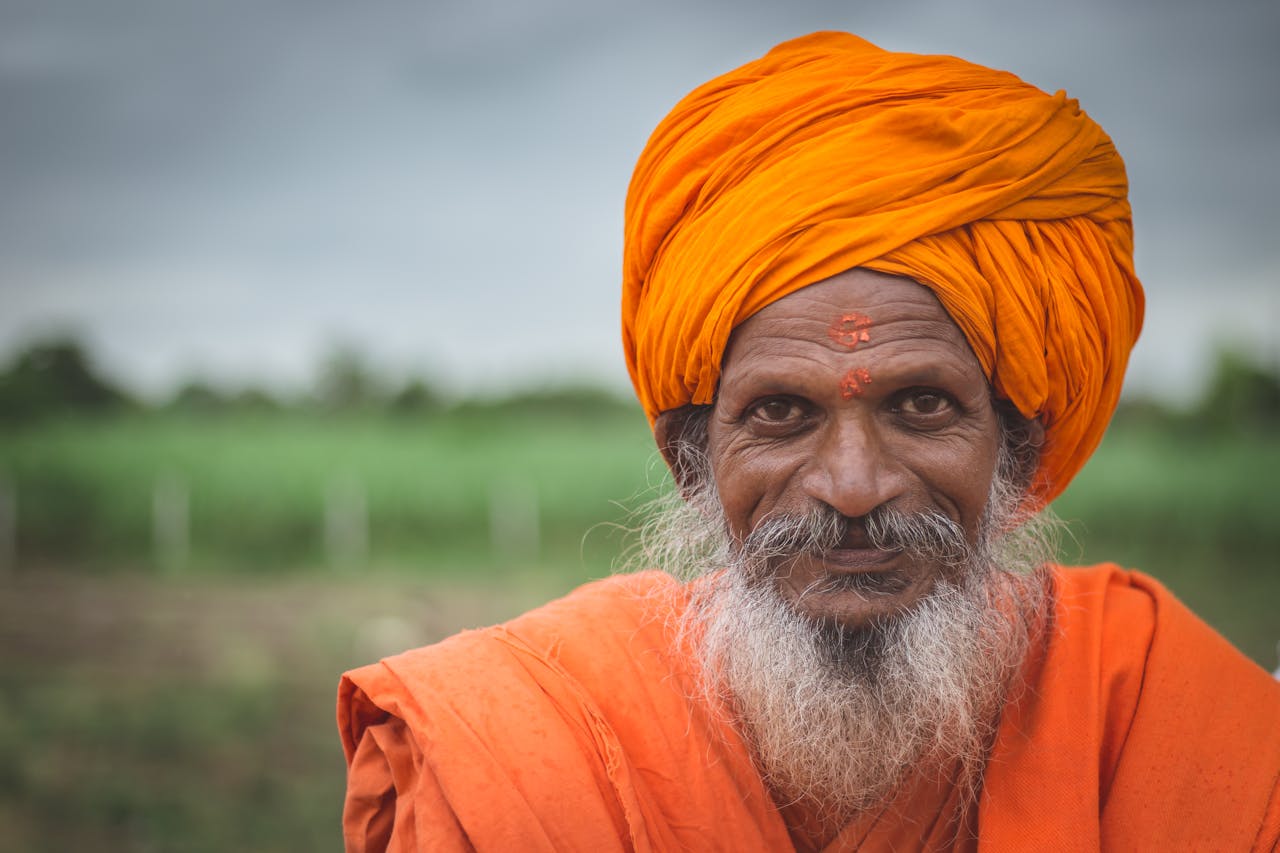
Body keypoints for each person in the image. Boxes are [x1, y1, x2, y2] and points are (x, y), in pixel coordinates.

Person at [337, 32, 1280, 851]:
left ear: (1018, 450)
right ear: (691, 461)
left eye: (921, 405)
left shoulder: (1174, 726)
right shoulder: (511, 756)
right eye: (782, 413)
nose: (855, 486)